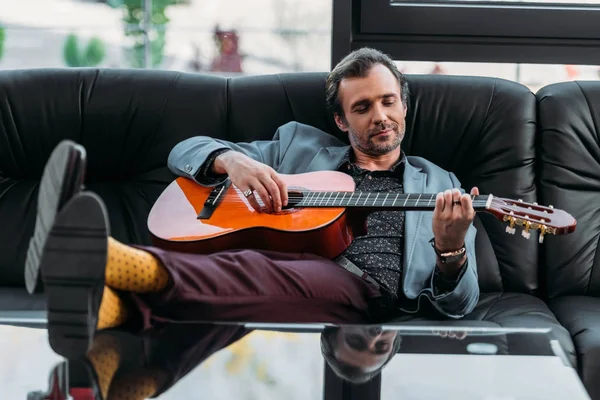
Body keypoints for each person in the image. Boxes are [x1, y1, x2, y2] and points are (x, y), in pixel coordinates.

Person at [27, 48, 480, 374]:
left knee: (257, 268)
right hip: (271, 266)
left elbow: (462, 304)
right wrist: (232, 161)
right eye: (362, 107)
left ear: (403, 103)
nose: (380, 116)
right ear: (342, 121)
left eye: (388, 101)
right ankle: (123, 354)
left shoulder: (442, 187)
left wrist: (450, 249)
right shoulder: (296, 145)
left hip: (356, 289)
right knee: (242, 301)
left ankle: (102, 257)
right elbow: (187, 149)